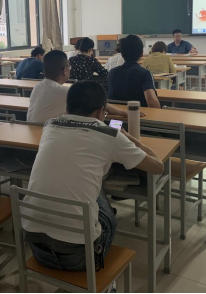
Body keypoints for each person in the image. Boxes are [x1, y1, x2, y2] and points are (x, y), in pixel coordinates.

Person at [22, 81, 164, 275]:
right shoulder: (109, 134)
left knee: (77, 180)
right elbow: (157, 166)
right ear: (100, 112)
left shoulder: (50, 125)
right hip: (80, 256)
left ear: (67, 109)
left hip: (37, 249)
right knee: (98, 191)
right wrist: (125, 136)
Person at [27, 50, 127, 124]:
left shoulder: (37, 87)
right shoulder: (67, 92)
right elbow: (101, 104)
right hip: (50, 135)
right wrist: (125, 112)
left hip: (34, 132)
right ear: (65, 70)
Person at [108, 35, 161, 108]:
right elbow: (152, 101)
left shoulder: (112, 72)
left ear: (122, 55)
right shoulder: (144, 73)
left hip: (116, 114)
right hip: (137, 114)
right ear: (142, 53)